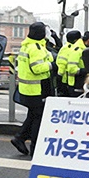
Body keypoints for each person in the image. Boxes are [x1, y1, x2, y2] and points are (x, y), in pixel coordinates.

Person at [10, 22, 56, 156]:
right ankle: (35, 147)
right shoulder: (35, 48)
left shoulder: (28, 46)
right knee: (38, 118)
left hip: (28, 88)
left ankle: (19, 138)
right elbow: (37, 68)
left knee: (32, 115)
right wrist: (52, 65)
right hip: (37, 89)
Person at [66, 31, 89, 97]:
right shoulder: (77, 50)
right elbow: (71, 69)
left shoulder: (83, 49)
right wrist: (86, 70)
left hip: (80, 82)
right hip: (75, 83)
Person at [56, 30, 81, 96]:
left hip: (69, 79)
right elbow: (62, 64)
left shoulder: (65, 48)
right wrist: (59, 78)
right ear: (76, 40)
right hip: (66, 80)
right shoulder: (68, 49)